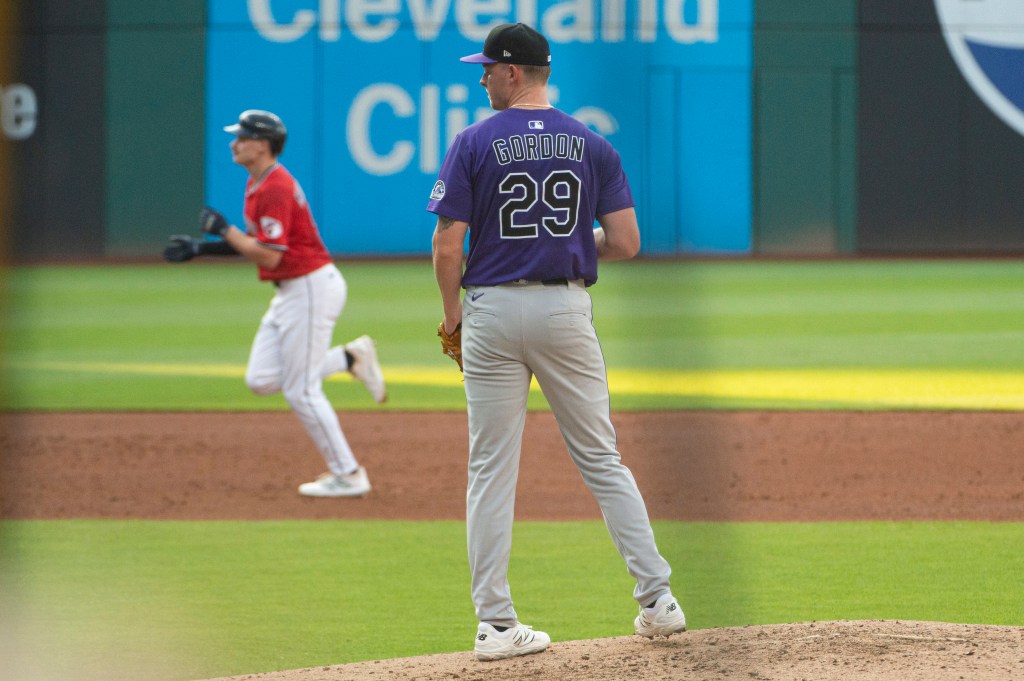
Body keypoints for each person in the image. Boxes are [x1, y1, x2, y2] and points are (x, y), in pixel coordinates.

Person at [427, 23, 686, 662]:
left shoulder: (472, 140)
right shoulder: (592, 144)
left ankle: (494, 625)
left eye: (488, 68)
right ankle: (658, 601)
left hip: (489, 310)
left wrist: (451, 316)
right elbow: (626, 243)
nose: (480, 76)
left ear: (514, 73)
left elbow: (446, 243)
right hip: (565, 309)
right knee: (602, 458)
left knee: (489, 469)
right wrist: (569, 246)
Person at [163, 109, 386, 498]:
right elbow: (259, 247)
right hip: (293, 291)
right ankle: (350, 358)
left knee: (301, 390)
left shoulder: (275, 187)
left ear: (262, 145)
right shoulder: (259, 183)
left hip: (310, 288)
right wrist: (204, 247)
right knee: (262, 379)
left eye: (242, 137)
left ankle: (349, 474)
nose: (234, 143)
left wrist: (225, 229)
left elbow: (270, 256)